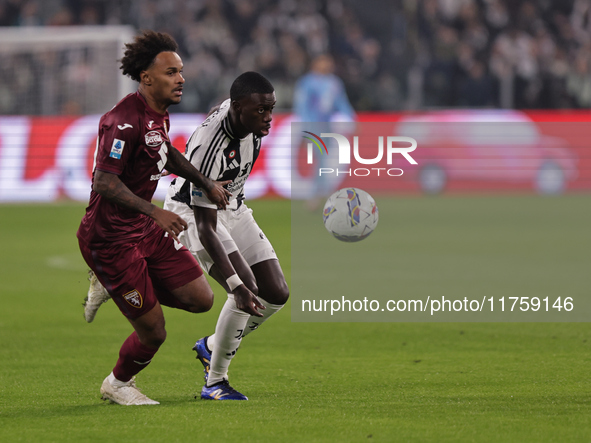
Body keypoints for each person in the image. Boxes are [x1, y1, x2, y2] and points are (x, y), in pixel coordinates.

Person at [77, 30, 231, 406]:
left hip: (141, 229)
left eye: (180, 71)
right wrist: (154, 211)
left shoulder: (156, 116)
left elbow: (165, 151)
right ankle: (117, 384)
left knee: (201, 299)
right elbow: (103, 180)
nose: (180, 79)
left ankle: (112, 287)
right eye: (170, 72)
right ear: (146, 77)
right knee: (154, 332)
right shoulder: (123, 121)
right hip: (110, 239)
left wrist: (205, 181)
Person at [163, 71, 289, 400]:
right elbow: (205, 226)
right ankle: (215, 382)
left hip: (231, 206)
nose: (269, 118)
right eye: (261, 110)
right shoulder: (209, 145)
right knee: (244, 288)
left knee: (276, 292)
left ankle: (213, 345)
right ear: (236, 107)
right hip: (192, 213)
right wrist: (235, 284)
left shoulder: (251, 126)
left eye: (271, 109)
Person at [292, 54, 356, 208]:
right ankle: (321, 194)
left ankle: (319, 194)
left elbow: (341, 103)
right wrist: (305, 128)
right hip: (314, 125)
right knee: (321, 158)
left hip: (327, 125)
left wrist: (351, 118)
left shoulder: (334, 82)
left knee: (323, 159)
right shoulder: (307, 82)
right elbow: (302, 106)